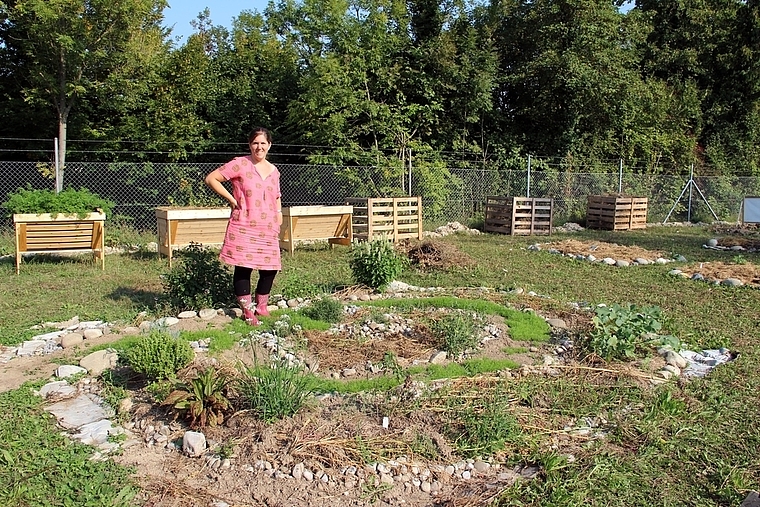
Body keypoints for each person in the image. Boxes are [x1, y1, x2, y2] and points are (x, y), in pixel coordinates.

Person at [205, 127, 282, 326]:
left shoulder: (274, 171)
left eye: (263, 143)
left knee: (270, 268)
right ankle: (248, 311)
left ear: (269, 145)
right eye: (255, 143)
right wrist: (231, 199)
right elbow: (212, 178)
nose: (259, 147)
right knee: (244, 268)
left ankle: (262, 306)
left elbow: (276, 196)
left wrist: (279, 215)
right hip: (244, 224)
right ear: (250, 145)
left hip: (268, 226)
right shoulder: (240, 164)